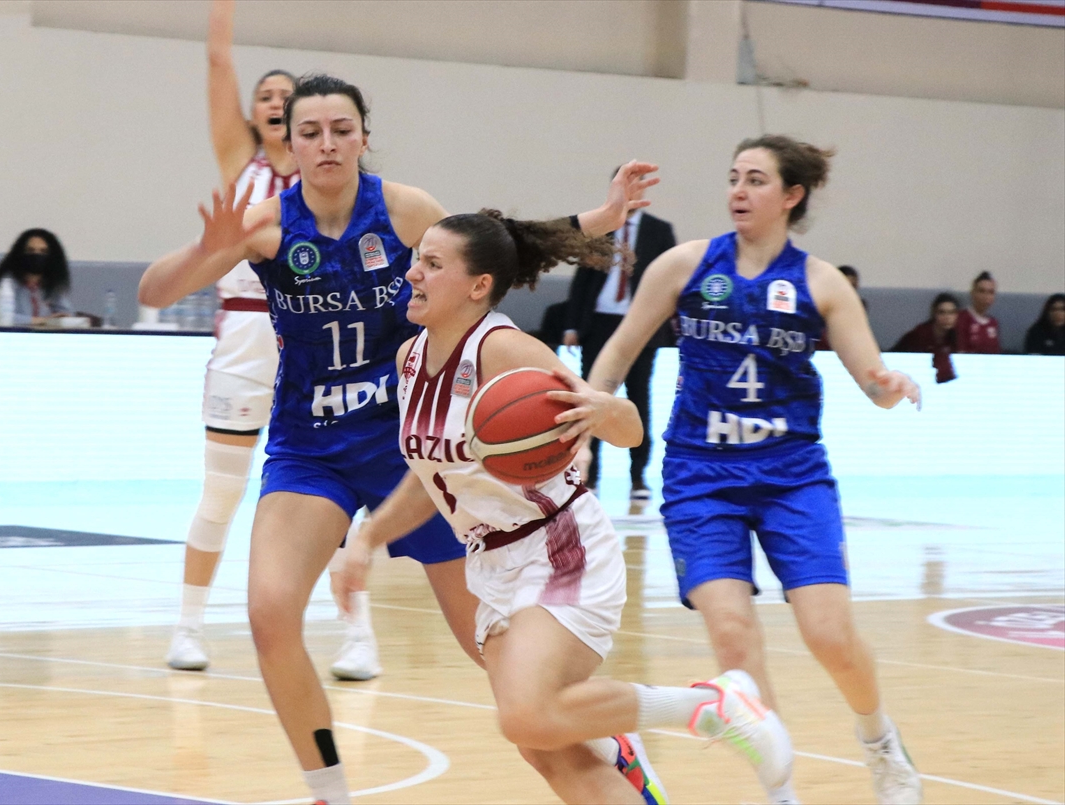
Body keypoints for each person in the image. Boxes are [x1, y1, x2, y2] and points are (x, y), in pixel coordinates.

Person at [139, 72, 664, 805]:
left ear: (363, 137)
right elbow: (154, 292)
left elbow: (495, 248)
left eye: (341, 130)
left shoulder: (403, 209)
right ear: (290, 143)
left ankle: (610, 745)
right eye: (310, 132)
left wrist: (600, 218)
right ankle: (329, 790)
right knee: (269, 613)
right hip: (311, 447)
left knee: (497, 662)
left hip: (414, 454)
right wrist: (207, 247)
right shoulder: (264, 223)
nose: (327, 144)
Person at [336, 210, 793, 805]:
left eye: (432, 263)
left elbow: (626, 428)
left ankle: (711, 705)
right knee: (543, 745)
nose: (412, 273)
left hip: (557, 545)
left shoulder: (506, 351)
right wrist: (367, 539)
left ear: (478, 285)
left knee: (527, 714)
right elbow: (432, 478)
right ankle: (617, 743)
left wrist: (606, 410)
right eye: (417, 259)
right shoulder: (410, 360)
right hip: (490, 561)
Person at [586, 135, 924, 805]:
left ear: (791, 195)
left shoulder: (821, 282)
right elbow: (617, 354)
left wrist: (891, 385)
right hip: (700, 474)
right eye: (734, 177)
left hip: (791, 474)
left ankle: (880, 740)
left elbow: (871, 379)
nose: (738, 190)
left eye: (756, 180)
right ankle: (781, 791)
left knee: (829, 633)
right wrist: (587, 415)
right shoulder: (684, 265)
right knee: (733, 636)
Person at [162, 0, 308, 673]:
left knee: (334, 488)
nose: (274, 102)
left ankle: (358, 633)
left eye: (286, 95)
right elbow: (218, 61)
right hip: (247, 331)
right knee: (222, 491)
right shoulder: (239, 159)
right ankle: (188, 626)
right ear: (252, 113)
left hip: (313, 333)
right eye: (265, 95)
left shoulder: (326, 175)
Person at [562, 177, 675, 499]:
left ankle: (638, 477)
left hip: (640, 324)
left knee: (640, 399)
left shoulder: (659, 230)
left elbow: (669, 283)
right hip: (599, 321)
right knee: (591, 395)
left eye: (639, 186)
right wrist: (572, 325)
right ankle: (590, 474)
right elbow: (582, 279)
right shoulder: (601, 227)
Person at [0, 229, 72, 325]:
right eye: (30, 250)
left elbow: (66, 314)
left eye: (43, 251)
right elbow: (0, 317)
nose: (37, 255)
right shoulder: (7, 283)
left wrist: (62, 318)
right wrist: (42, 320)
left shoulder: (52, 286)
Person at [892, 292, 959, 383]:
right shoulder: (920, 334)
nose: (947, 317)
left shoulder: (957, 336)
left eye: (951, 313)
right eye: (942, 312)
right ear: (934, 314)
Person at [955, 270, 1000, 353]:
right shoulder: (962, 318)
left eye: (991, 292)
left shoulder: (993, 323)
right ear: (972, 293)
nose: (986, 296)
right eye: (982, 291)